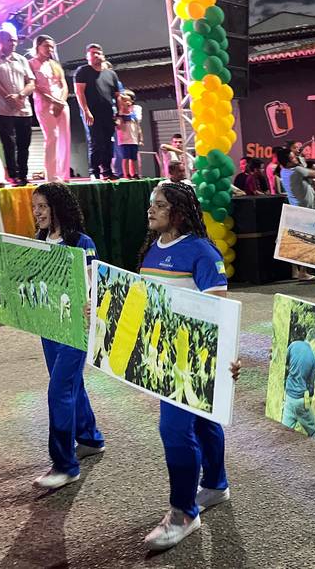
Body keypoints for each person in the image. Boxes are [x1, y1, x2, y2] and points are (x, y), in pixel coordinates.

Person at [138, 182, 241, 550]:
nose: (151, 210)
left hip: (191, 360)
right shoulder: (152, 250)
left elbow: (219, 311)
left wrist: (223, 356)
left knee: (174, 430)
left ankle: (184, 513)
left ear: (178, 212)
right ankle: (215, 484)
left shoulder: (201, 251)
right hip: (163, 356)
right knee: (204, 421)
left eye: (160, 205)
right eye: (151, 204)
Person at [0, 183, 105, 489]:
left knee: (58, 391)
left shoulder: (82, 242)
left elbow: (96, 285)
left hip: (75, 329)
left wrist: (94, 308)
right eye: (34, 206)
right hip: (49, 327)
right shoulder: (39, 239)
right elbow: (24, 279)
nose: (36, 212)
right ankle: (90, 438)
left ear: (57, 207)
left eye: (42, 206)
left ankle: (65, 465)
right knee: (69, 384)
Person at [0, 28, 35, 186]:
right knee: (8, 143)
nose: (13, 43)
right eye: (9, 40)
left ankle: (24, 175)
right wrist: (8, 97)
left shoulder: (21, 59)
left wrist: (20, 95)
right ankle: (14, 175)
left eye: (15, 40)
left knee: (24, 144)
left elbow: (31, 82)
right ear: (0, 41)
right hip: (3, 108)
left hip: (23, 107)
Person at [74, 43, 121, 180]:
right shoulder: (83, 71)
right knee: (96, 142)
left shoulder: (111, 74)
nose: (96, 55)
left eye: (98, 53)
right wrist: (86, 111)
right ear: (87, 56)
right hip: (92, 113)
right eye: (93, 53)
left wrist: (118, 114)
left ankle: (107, 170)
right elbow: (79, 93)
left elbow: (117, 95)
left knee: (108, 142)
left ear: (103, 56)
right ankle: (93, 171)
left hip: (108, 113)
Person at [29, 35, 70, 182]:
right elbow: (36, 87)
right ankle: (51, 175)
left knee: (65, 138)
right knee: (52, 137)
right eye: (46, 46)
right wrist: (52, 101)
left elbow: (64, 85)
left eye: (52, 46)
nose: (49, 49)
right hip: (44, 104)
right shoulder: (31, 64)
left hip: (61, 103)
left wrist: (61, 101)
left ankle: (64, 174)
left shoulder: (55, 64)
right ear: (38, 46)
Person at [281, 328, 315, 438]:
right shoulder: (313, 358)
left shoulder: (293, 345)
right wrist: (309, 397)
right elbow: (311, 386)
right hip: (300, 401)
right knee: (314, 432)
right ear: (314, 342)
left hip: (288, 398)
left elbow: (284, 362)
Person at [114, 90, 142, 179]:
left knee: (134, 158)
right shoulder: (119, 114)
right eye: (124, 101)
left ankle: (135, 173)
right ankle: (126, 174)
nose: (127, 103)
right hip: (124, 140)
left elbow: (138, 126)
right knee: (126, 157)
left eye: (128, 100)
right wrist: (121, 112)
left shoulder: (135, 112)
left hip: (134, 139)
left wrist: (140, 138)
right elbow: (118, 126)